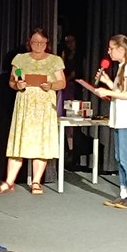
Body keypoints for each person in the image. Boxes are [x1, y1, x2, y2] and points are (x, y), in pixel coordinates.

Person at [0, 28, 66, 195]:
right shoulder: (20, 59)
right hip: (24, 105)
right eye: (35, 42)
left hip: (44, 106)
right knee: (19, 142)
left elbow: (62, 83)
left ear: (47, 43)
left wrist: (51, 85)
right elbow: (12, 80)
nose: (38, 45)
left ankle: (36, 182)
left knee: (41, 142)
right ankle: (9, 181)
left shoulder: (54, 60)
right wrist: (17, 84)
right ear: (29, 42)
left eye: (41, 42)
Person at [94, 34, 127, 209]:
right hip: (119, 119)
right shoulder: (123, 67)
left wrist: (106, 92)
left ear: (121, 49)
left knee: (126, 157)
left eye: (111, 48)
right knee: (119, 156)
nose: (109, 52)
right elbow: (120, 91)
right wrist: (107, 81)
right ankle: (123, 193)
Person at [57, 34, 86, 165]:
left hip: (73, 88)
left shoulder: (79, 57)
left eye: (71, 41)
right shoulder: (64, 55)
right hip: (64, 88)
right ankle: (67, 150)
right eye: (67, 42)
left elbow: (75, 73)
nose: (69, 44)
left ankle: (73, 152)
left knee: (72, 120)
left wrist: (64, 80)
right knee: (62, 118)